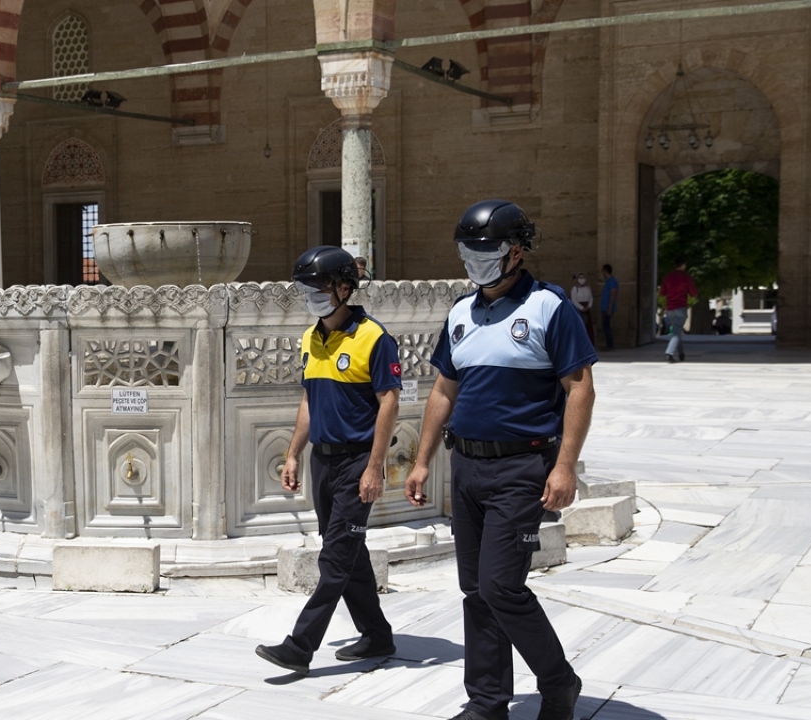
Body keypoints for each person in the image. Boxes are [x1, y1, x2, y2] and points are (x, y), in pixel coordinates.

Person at [404, 200, 595, 720]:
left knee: (501, 585)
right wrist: (422, 461)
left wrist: (566, 466)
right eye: (467, 251)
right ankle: (487, 703)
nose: (474, 261)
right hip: (465, 466)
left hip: (522, 469)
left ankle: (559, 681)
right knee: (475, 591)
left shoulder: (549, 307)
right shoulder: (461, 312)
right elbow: (444, 390)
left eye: (484, 251)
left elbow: (579, 388)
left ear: (516, 252)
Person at [255, 245, 401, 676]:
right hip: (324, 461)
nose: (311, 295)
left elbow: (389, 403)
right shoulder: (310, 337)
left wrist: (375, 467)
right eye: (306, 288)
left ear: (343, 287)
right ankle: (378, 635)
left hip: (358, 462)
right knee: (349, 553)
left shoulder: (374, 337)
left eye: (317, 287)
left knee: (335, 559)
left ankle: (300, 645)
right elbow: (308, 400)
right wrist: (293, 454)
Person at [658, 256, 697, 363]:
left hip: (670, 308)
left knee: (677, 330)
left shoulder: (668, 277)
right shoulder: (686, 277)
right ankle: (669, 353)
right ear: (683, 265)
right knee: (676, 332)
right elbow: (693, 293)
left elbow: (662, 293)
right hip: (680, 307)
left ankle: (681, 353)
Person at [568, 273, 595, 345]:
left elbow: (591, 298)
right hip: (579, 309)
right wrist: (581, 308)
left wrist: (589, 306)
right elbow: (573, 300)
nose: (582, 279)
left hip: (587, 308)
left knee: (588, 326)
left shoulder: (588, 288)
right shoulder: (574, 289)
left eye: (583, 277)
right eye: (580, 278)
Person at [599, 264, 619, 350]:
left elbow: (613, 294)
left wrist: (610, 307)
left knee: (606, 326)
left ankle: (610, 345)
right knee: (605, 326)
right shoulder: (608, 282)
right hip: (604, 307)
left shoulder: (612, 282)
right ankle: (608, 344)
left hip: (607, 308)